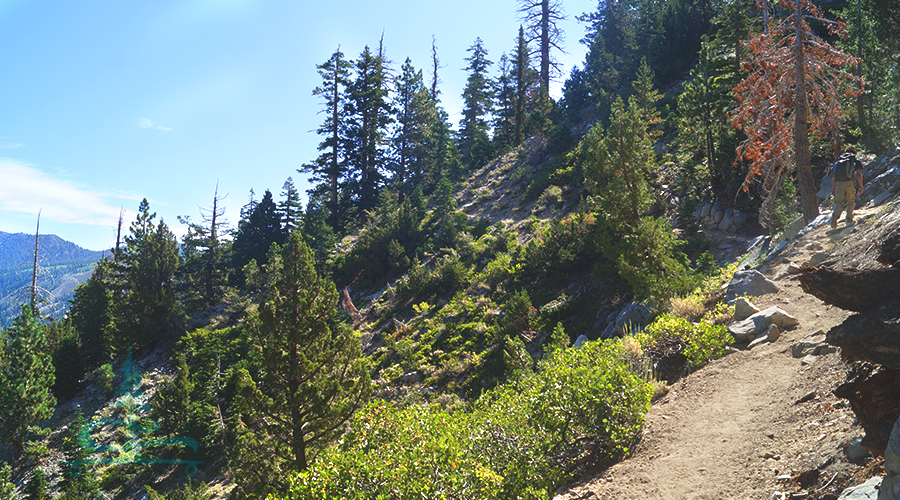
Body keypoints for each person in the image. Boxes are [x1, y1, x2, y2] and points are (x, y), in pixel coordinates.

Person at [831, 146, 863, 228]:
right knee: (850, 201)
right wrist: (861, 186)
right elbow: (858, 174)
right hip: (849, 183)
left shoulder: (839, 160)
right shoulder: (855, 161)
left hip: (838, 183)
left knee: (838, 202)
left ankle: (835, 218)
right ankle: (849, 219)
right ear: (854, 152)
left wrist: (833, 188)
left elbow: (834, 176)